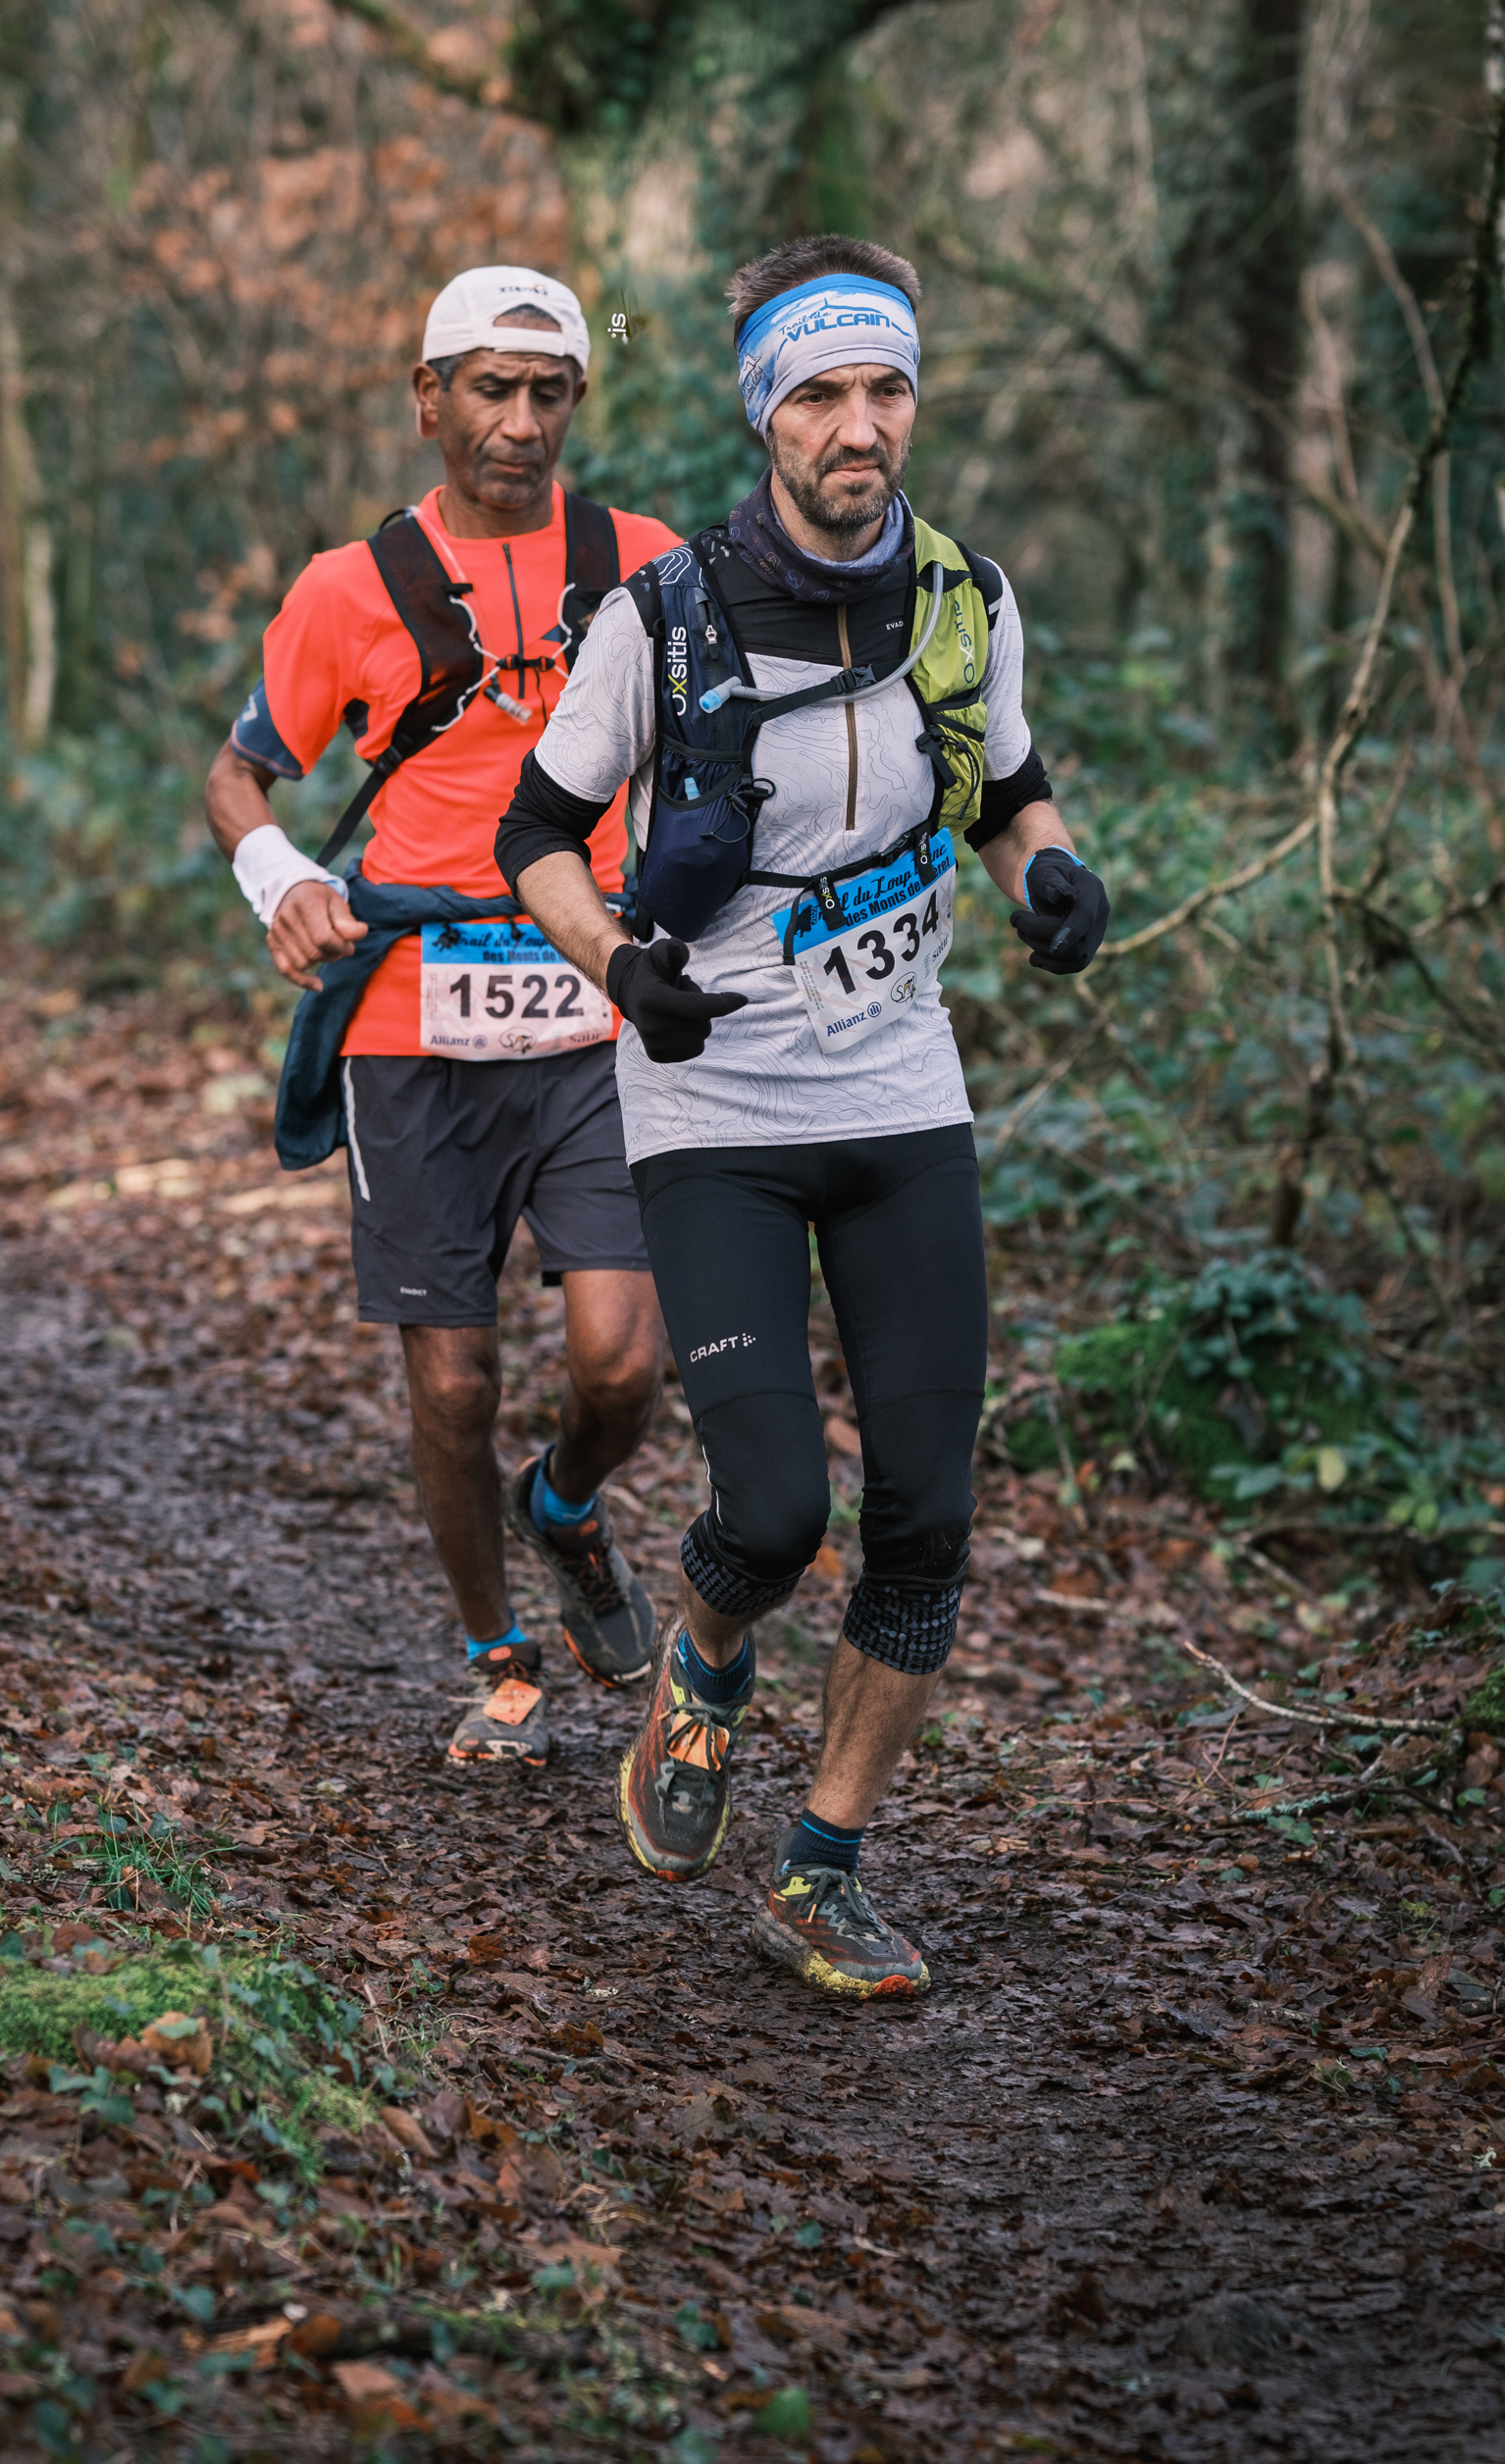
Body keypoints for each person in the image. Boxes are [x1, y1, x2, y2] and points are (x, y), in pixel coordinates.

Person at [495, 234, 1111, 1996]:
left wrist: (1051, 874)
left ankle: (823, 1867)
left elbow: (1011, 788)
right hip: (714, 1103)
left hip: (903, 1095)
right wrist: (622, 964)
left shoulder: (965, 599)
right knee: (772, 1515)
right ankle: (702, 1663)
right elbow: (535, 835)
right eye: (824, 391)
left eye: (886, 387)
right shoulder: (663, 616)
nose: (861, 425)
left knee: (926, 1515)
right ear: (766, 411)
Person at [205, 267, 683, 1766]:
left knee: (621, 1365)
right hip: (414, 1021)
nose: (520, 423)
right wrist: (283, 877)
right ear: (430, 400)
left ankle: (568, 1504)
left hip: (598, 1007)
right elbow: (239, 776)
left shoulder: (650, 566)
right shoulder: (347, 589)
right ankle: (500, 1660)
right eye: (491, 389)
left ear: (576, 403)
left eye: (549, 393)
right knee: (454, 1378)